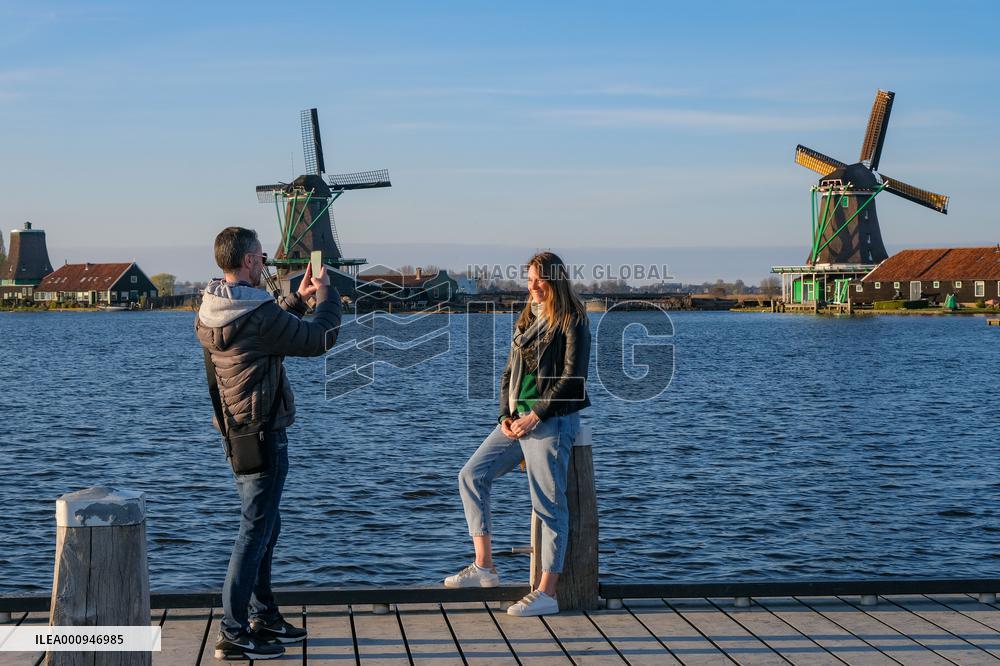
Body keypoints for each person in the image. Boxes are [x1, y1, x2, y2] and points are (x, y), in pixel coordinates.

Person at [195, 227, 341, 660]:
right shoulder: (258, 315)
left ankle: (264, 615)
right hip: (264, 434)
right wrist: (327, 294)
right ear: (247, 261)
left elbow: (263, 330)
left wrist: (295, 299)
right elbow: (318, 338)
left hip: (236, 435)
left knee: (265, 526)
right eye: (261, 257)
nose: (266, 263)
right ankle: (233, 631)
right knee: (254, 532)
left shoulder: (211, 308)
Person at [445, 251, 591, 617]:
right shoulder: (527, 318)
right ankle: (484, 566)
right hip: (517, 419)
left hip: (551, 421)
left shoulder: (572, 320)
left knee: (549, 505)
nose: (534, 287)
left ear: (556, 280)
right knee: (472, 475)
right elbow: (509, 373)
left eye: (540, 280)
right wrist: (505, 416)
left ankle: (547, 593)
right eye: (530, 280)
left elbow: (573, 379)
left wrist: (536, 415)